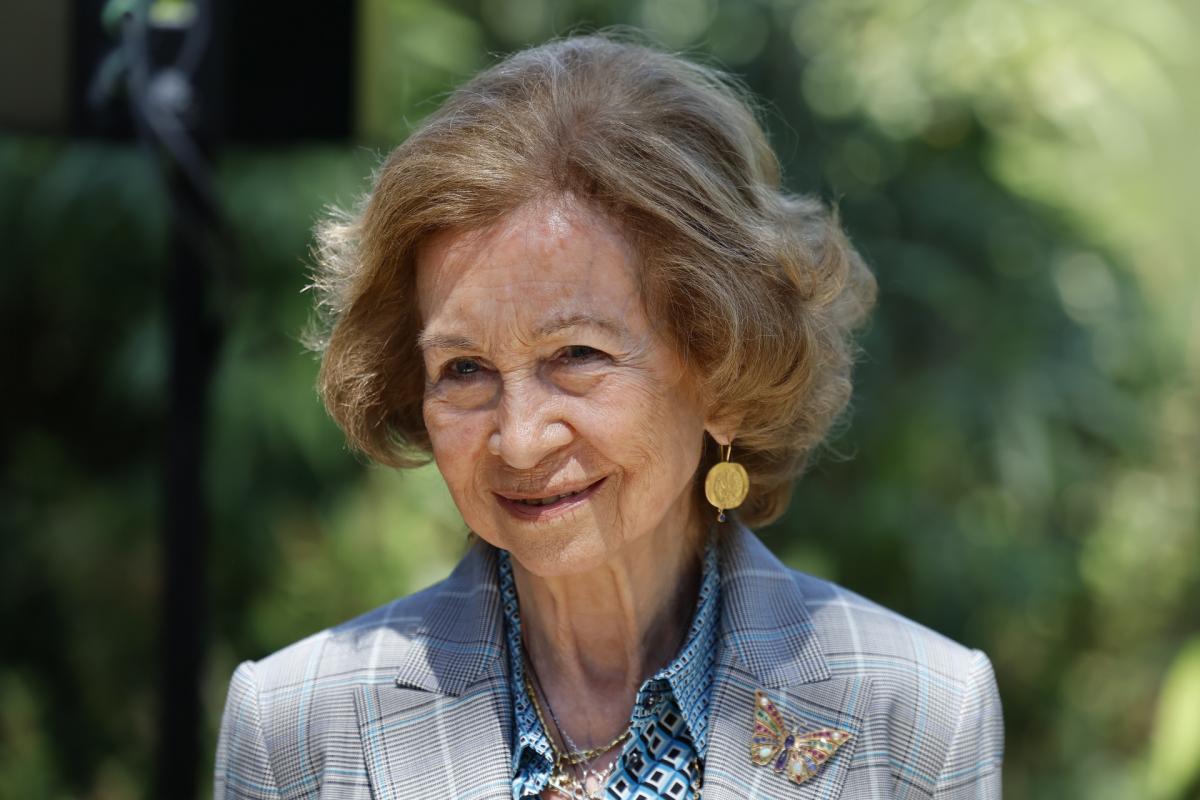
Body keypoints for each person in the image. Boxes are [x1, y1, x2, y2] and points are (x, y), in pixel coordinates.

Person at [214, 34, 1003, 800]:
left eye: (578, 356)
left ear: (724, 371)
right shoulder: (299, 727)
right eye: (464, 370)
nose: (520, 437)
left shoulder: (917, 717)